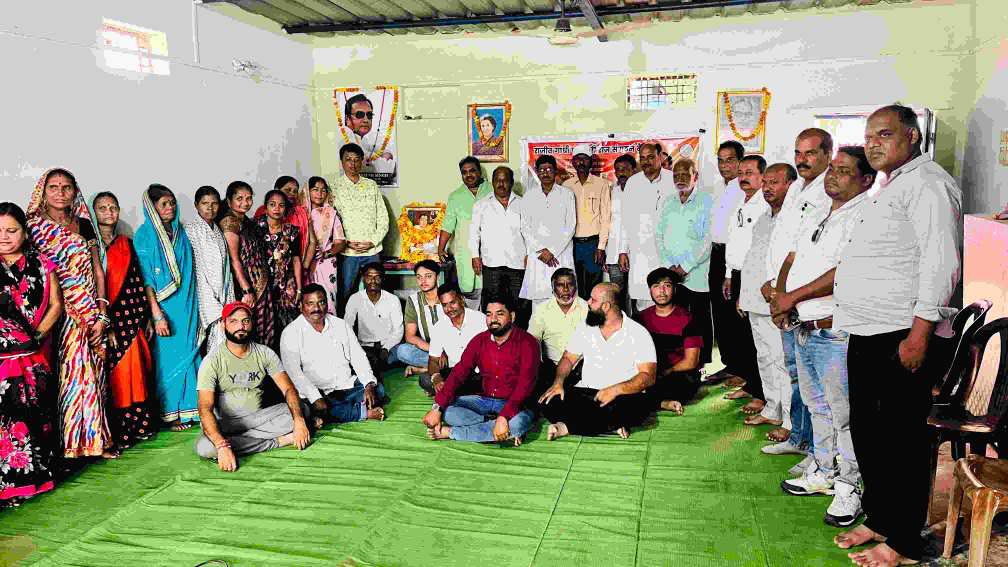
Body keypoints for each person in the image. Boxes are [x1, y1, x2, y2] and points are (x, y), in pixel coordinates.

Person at [826, 106, 961, 567]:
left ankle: (904, 540)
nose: (873, 144)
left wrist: (919, 334)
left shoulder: (929, 184)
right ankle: (881, 518)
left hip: (901, 333)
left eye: (884, 134)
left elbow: (941, 262)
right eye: (869, 137)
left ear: (913, 136)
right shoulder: (891, 186)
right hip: (869, 330)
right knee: (871, 434)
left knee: (901, 440)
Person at [772, 147, 875, 529]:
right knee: (818, 407)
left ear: (866, 179)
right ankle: (825, 470)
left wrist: (791, 298)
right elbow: (792, 257)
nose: (833, 175)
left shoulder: (865, 215)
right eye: (832, 169)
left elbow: (843, 272)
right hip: (805, 325)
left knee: (843, 414)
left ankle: (850, 486)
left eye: (844, 171)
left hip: (835, 330)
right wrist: (780, 296)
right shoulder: (819, 211)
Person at [26, 168, 114, 459]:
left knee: (93, 373)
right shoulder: (34, 227)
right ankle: (70, 443)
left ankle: (94, 440)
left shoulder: (84, 224)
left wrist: (102, 313)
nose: (60, 193)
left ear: (75, 191)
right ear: (43, 191)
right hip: (55, 312)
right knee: (69, 374)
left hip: (89, 309)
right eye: (53, 187)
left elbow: (97, 270)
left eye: (66, 187)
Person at [763, 128, 835, 454]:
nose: (802, 160)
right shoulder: (796, 189)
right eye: (798, 153)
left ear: (827, 154)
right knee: (796, 374)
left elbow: (801, 251)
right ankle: (800, 438)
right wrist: (772, 284)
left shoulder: (827, 192)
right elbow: (782, 241)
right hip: (783, 293)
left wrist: (783, 294)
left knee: (812, 384)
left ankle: (815, 449)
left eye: (810, 153)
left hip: (803, 299)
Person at [194, 302, 310, 472]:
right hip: (226, 424)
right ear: (223, 325)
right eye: (233, 321)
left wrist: (298, 421)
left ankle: (239, 443)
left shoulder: (265, 353)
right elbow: (205, 408)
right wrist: (221, 445)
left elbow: (288, 389)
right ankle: (278, 441)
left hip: (259, 417)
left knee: (303, 411)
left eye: (245, 321)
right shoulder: (212, 360)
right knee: (205, 448)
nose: (240, 326)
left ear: (251, 323)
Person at [0, 202, 62, 506]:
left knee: (30, 415)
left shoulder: (41, 264)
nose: (4, 236)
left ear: (25, 232)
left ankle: (30, 480)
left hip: (32, 354)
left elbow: (56, 305)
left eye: (11, 230)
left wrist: (35, 337)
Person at [538, 283, 657, 439]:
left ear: (606, 306)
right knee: (548, 400)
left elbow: (648, 377)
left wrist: (615, 390)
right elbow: (568, 358)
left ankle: (566, 427)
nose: (588, 302)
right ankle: (609, 426)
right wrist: (558, 382)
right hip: (587, 393)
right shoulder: (585, 327)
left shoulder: (638, 333)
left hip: (621, 396)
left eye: (593, 300)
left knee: (635, 409)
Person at [423, 293, 538, 445]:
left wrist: (504, 416)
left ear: (512, 316)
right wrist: (437, 408)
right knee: (447, 411)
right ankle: (496, 427)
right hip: (484, 401)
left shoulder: (528, 343)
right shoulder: (480, 340)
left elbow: (525, 385)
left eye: (499, 314)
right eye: (489, 314)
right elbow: (459, 372)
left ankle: (451, 432)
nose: (493, 319)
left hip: (515, 404)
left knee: (518, 423)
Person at [135, 184, 202, 431]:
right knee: (168, 360)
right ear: (152, 208)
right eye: (164, 204)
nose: (170, 207)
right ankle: (170, 414)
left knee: (191, 353)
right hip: (165, 309)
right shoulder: (144, 235)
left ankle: (190, 410)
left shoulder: (180, 233)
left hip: (187, 305)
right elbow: (147, 279)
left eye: (172, 202)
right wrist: (156, 315)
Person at [92, 192, 155, 448]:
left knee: (136, 374)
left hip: (132, 319)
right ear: (93, 213)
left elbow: (138, 282)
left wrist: (146, 317)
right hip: (107, 322)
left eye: (113, 207)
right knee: (116, 378)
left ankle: (139, 426)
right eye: (102, 208)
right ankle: (119, 432)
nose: (109, 212)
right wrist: (107, 325)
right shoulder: (90, 247)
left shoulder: (127, 244)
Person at [737, 164, 793, 434]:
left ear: (790, 185)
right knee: (765, 357)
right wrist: (743, 295)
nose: (768, 188)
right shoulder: (763, 218)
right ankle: (772, 408)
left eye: (775, 182)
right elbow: (753, 259)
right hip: (754, 300)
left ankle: (790, 420)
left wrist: (778, 292)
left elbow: (791, 261)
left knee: (782, 360)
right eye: (766, 182)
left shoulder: (793, 219)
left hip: (776, 300)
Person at [280, 284, 385, 427]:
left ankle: (332, 415)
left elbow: (358, 357)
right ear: (301, 306)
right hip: (317, 393)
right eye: (310, 303)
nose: (317, 308)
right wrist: (315, 398)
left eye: (321, 302)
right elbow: (294, 373)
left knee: (378, 390)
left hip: (346, 386)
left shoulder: (340, 325)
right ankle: (362, 413)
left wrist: (368, 385)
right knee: (308, 407)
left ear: (327, 303)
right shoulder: (290, 333)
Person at [656, 157, 714, 367]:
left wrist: (685, 267)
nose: (680, 179)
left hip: (697, 273)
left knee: (699, 320)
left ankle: (702, 363)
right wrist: (669, 266)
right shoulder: (668, 202)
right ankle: (680, 361)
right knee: (677, 318)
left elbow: (708, 240)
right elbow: (659, 236)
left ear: (695, 176)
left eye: (685, 174)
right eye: (676, 175)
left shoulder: (707, 201)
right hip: (672, 272)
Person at [721, 155, 766, 415]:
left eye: (749, 172)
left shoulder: (764, 205)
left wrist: (746, 286)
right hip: (737, 273)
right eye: (741, 173)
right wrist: (729, 274)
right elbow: (734, 241)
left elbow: (757, 250)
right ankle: (750, 384)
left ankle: (761, 394)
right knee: (741, 336)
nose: (743, 178)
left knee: (754, 338)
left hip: (754, 276)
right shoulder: (741, 201)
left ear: (762, 176)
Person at [706, 141, 747, 386]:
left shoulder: (744, 189)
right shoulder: (716, 188)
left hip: (735, 258)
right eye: (720, 160)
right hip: (716, 254)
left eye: (730, 160)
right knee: (720, 312)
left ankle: (743, 368)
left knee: (735, 313)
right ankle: (729, 363)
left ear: (740, 161)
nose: (724, 165)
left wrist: (730, 269)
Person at [218, 181, 275, 351]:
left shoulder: (245, 221)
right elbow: (234, 259)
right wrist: (246, 290)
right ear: (229, 201)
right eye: (240, 198)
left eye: (249, 198)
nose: (245, 203)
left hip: (259, 282)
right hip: (247, 285)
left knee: (263, 327)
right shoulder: (230, 222)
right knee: (249, 326)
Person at [636, 268, 702, 416]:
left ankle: (655, 401)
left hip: (677, 373)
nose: (662, 291)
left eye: (667, 285)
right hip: (649, 370)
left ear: (675, 289)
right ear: (650, 290)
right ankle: (661, 402)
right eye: (656, 286)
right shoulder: (640, 318)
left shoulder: (689, 319)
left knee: (678, 386)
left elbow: (691, 362)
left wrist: (665, 372)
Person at [619, 142, 674, 313]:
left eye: (650, 157)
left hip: (667, 251)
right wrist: (623, 250)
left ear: (660, 157)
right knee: (643, 299)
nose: (646, 161)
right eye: (642, 158)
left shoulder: (672, 179)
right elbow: (625, 218)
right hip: (640, 251)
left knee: (666, 296)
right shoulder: (633, 182)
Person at [331, 143, 389, 305]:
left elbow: (383, 218)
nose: (353, 164)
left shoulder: (371, 185)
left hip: (372, 250)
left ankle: (376, 320)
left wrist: (372, 241)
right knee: (345, 293)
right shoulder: (334, 187)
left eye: (357, 160)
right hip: (347, 252)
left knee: (376, 292)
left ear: (362, 161)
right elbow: (330, 221)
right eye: (348, 159)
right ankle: (347, 321)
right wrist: (344, 242)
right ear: (342, 162)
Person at [520, 155, 576, 316]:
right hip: (538, 256)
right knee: (539, 301)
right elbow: (525, 227)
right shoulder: (529, 196)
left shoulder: (567, 194)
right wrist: (541, 250)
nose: (545, 173)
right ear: (537, 172)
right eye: (542, 169)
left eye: (549, 169)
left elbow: (570, 226)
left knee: (564, 297)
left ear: (555, 171)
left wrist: (552, 251)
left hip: (560, 255)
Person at [183, 186, 234, 355]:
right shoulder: (191, 229)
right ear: (196, 205)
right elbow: (196, 268)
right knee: (210, 344)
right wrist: (212, 302)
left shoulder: (217, 230)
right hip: (204, 295)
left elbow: (226, 267)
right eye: (205, 203)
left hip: (222, 293)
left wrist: (227, 299)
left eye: (214, 204)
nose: (210, 208)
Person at [438, 156, 493, 311]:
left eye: (472, 171)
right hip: (466, 254)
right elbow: (448, 225)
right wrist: (440, 248)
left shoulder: (492, 190)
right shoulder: (455, 196)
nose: (469, 175)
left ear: (479, 172)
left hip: (492, 253)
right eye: (464, 172)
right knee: (470, 297)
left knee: (491, 295)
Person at [470, 166, 526, 318]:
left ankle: (517, 333)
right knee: (492, 305)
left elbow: (529, 233)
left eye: (505, 180)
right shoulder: (481, 205)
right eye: (497, 180)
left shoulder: (523, 204)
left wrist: (529, 254)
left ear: (512, 182)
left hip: (518, 264)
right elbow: (474, 233)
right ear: (492, 182)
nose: (501, 184)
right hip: (491, 264)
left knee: (519, 306)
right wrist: (475, 256)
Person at [528, 268, 587, 399]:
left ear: (576, 287)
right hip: (551, 368)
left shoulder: (587, 308)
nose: (566, 289)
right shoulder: (541, 309)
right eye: (560, 285)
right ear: (553, 288)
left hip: (581, 368)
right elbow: (532, 340)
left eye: (570, 284)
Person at [563, 144, 612, 300]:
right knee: (574, 285)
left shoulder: (602, 184)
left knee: (594, 289)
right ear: (573, 162)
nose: (581, 162)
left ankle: (593, 315)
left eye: (585, 159)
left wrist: (601, 247)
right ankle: (579, 315)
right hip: (572, 245)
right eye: (578, 159)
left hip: (593, 245)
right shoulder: (566, 186)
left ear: (591, 162)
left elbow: (606, 217)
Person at [420, 285, 487, 396]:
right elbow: (433, 360)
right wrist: (436, 377)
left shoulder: (481, 320)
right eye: (444, 305)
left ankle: (451, 393)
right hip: (455, 373)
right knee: (424, 379)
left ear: (461, 299)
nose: (449, 309)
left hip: (480, 373)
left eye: (452, 303)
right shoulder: (439, 327)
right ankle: (459, 394)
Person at [257, 189, 304, 346]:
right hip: (262, 285)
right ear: (265, 207)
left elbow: (296, 259)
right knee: (263, 326)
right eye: (272, 204)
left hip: (286, 285)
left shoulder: (291, 231)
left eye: (281, 205)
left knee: (289, 327)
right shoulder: (255, 227)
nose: (277, 209)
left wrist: (299, 288)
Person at [344, 262, 404, 374]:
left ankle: (375, 365)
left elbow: (399, 330)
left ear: (383, 279)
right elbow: (347, 327)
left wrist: (386, 348)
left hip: (389, 347)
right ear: (363, 278)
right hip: (365, 347)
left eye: (377, 277)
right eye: (369, 277)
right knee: (353, 356)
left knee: (404, 352)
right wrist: (356, 348)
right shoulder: (355, 298)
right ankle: (375, 366)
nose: (373, 281)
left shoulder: (393, 299)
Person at [389, 259, 444, 377]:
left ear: (438, 277)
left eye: (428, 276)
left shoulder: (448, 296)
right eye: (419, 277)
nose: (423, 281)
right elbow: (410, 336)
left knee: (463, 354)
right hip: (428, 350)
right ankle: (443, 367)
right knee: (402, 351)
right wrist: (434, 350)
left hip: (451, 348)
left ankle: (426, 369)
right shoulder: (413, 300)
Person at [305, 176, 346, 314]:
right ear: (307, 191)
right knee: (307, 299)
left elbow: (341, 242)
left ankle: (330, 326)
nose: (320, 193)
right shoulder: (300, 213)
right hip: (305, 263)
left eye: (323, 190)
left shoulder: (331, 214)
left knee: (328, 298)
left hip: (326, 262)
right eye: (315, 189)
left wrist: (326, 254)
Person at [254, 176, 315, 266]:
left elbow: (312, 241)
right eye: (288, 190)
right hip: (263, 266)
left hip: (296, 265)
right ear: (276, 190)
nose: (292, 194)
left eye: (295, 191)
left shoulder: (302, 213)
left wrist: (305, 266)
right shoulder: (263, 211)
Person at [604, 154, 636, 313]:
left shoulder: (640, 192)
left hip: (635, 253)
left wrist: (626, 250)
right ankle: (621, 324)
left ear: (634, 170)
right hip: (613, 254)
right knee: (617, 295)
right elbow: (607, 222)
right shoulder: (612, 192)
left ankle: (636, 324)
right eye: (618, 169)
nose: (621, 172)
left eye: (625, 169)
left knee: (636, 294)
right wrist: (605, 251)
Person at [341, 93, 396, 182]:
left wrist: (382, 157)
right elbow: (385, 170)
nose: (366, 120)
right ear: (348, 119)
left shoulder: (362, 139)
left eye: (369, 115)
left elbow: (387, 152)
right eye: (359, 115)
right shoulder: (345, 135)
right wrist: (381, 160)